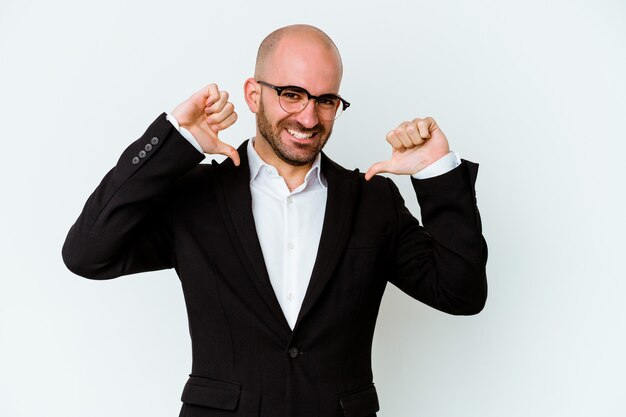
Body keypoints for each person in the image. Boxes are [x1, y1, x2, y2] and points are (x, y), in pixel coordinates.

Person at [62, 24, 487, 417]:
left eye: (326, 100)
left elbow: (461, 293)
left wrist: (437, 173)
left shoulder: (372, 199)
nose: (308, 117)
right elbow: (87, 254)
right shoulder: (194, 195)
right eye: (291, 93)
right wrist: (176, 141)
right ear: (253, 94)